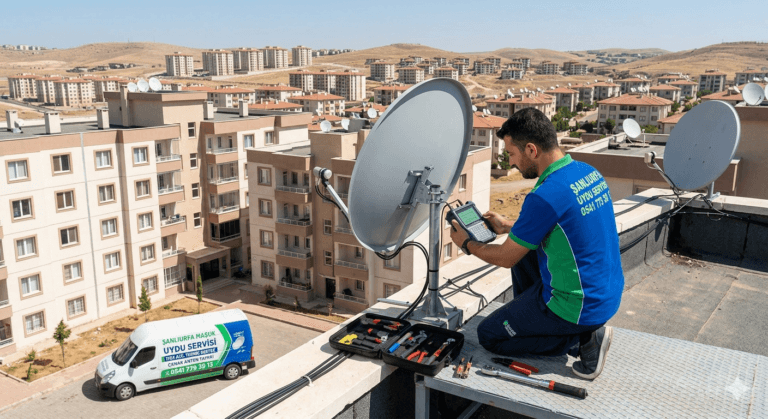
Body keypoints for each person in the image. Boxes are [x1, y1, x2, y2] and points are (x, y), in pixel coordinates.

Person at [450, 108, 624, 380]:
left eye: (511, 154)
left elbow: (505, 257)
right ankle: (541, 321)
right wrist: (508, 226)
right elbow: (562, 224)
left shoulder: (545, 195)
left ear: (531, 150)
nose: (511, 163)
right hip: (606, 293)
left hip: (578, 306)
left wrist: (467, 244)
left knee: (490, 335)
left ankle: (583, 340)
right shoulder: (586, 172)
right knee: (525, 249)